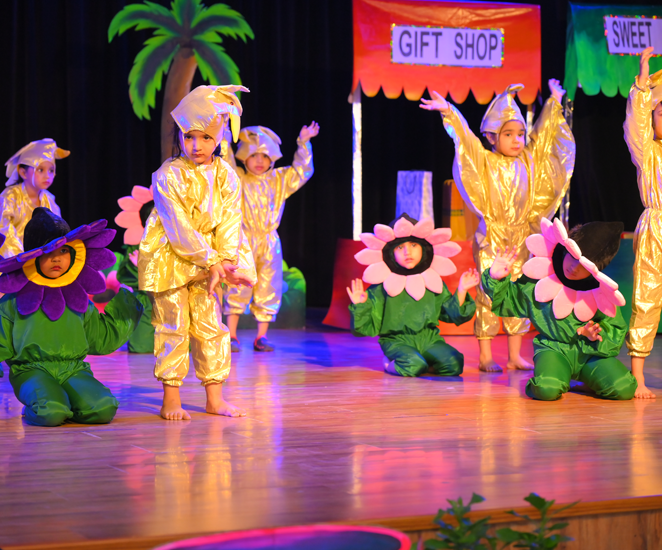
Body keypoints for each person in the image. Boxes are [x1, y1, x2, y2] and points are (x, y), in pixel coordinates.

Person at [420, 80, 575, 373]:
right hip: (492, 236)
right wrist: (449, 111)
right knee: (489, 293)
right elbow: (465, 139)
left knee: (519, 292)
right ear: (492, 137)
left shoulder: (528, 160)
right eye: (508, 134)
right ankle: (485, 355)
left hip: (521, 236)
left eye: (520, 134)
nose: (517, 140)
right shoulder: (486, 161)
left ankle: (515, 355)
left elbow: (543, 135)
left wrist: (554, 101)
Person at [138, 85, 257, 421]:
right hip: (172, 258)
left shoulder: (226, 175)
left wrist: (227, 260)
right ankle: (171, 399)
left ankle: (214, 398)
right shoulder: (168, 175)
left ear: (219, 138)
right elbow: (179, 228)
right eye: (189, 136)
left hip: (210, 262)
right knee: (173, 325)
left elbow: (231, 220)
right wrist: (213, 260)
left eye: (205, 137)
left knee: (210, 324)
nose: (196, 145)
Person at [0, 207, 143, 426]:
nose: (56, 258)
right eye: (48, 252)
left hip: (73, 369)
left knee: (103, 408)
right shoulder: (14, 300)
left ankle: (66, 403)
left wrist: (129, 303)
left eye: (64, 251)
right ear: (33, 256)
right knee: (51, 412)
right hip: (30, 370)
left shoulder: (77, 297)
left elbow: (100, 337)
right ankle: (47, 405)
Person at [483, 218, 637, 401]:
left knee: (624, 388)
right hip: (553, 350)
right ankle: (555, 375)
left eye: (584, 265)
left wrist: (593, 334)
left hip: (590, 354)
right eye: (573, 257)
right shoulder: (541, 280)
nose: (574, 267)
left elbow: (615, 328)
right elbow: (510, 300)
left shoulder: (600, 292)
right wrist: (495, 278)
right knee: (547, 389)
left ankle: (585, 381)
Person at [223, 123, 319, 352]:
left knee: (268, 285)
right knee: (238, 285)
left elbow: (301, 171)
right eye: (254, 155)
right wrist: (224, 136)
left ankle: (261, 336)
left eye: (265, 156)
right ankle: (231, 335)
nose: (260, 161)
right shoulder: (238, 178)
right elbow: (225, 162)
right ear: (244, 157)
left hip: (269, 241)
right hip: (243, 241)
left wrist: (304, 143)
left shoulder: (278, 179)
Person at [347, 214, 478, 377]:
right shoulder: (383, 285)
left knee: (454, 363)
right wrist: (360, 306)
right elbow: (363, 328)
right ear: (391, 253)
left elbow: (450, 313)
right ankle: (393, 365)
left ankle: (423, 365)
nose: (407, 252)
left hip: (429, 339)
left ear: (423, 248)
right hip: (397, 341)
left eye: (414, 245)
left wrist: (462, 290)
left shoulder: (431, 280)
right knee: (413, 365)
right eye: (400, 247)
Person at [624, 45, 662, 399]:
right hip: (656, 229)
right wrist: (643, 81)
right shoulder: (649, 152)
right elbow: (636, 125)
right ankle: (637, 375)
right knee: (647, 297)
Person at [1, 138, 69, 258]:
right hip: (13, 260)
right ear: (23, 173)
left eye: (51, 170)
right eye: (40, 170)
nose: (47, 176)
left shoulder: (49, 200)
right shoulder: (9, 197)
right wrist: (23, 259)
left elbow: (58, 233)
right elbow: (4, 232)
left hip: (41, 260)